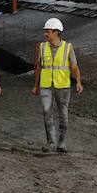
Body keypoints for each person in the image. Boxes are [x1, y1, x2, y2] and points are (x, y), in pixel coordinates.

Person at [30, 17, 82, 153]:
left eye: (48, 31)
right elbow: (38, 68)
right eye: (46, 31)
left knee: (63, 115)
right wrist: (36, 86)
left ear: (56, 32)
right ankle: (50, 142)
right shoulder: (41, 47)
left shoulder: (68, 48)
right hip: (46, 86)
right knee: (47, 113)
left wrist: (78, 81)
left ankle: (61, 142)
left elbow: (74, 66)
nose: (46, 34)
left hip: (62, 87)